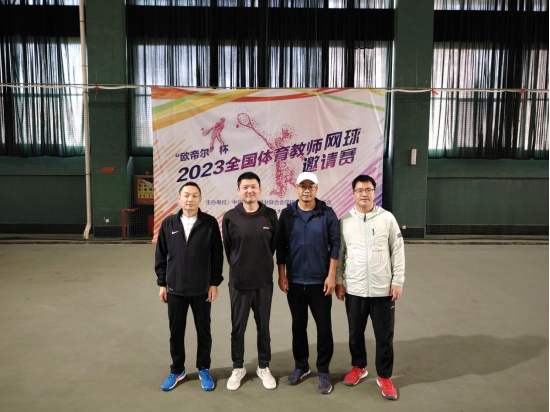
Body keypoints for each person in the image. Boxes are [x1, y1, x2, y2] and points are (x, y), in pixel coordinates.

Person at [336, 175, 405, 401]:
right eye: (359, 190)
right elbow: (340, 254)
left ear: (375, 192)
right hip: (354, 289)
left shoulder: (387, 218)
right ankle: (359, 367)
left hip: (382, 290)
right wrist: (339, 281)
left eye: (368, 190)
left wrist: (397, 281)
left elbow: (397, 250)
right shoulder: (345, 220)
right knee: (355, 333)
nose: (364, 194)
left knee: (384, 336)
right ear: (353, 194)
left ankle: (384, 376)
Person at [155, 182, 224, 392]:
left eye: (194, 195)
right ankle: (177, 370)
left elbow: (217, 256)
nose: (190, 199)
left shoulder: (209, 223)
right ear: (179, 198)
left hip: (201, 289)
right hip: (175, 289)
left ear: (200, 199)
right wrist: (162, 283)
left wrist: (214, 283)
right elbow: (161, 255)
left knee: (204, 331)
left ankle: (204, 368)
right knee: (176, 331)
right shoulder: (168, 223)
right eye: (186, 195)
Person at [277, 172, 341, 395]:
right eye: (302, 186)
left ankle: (323, 370)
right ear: (296, 188)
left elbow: (335, 244)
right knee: (298, 326)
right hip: (294, 281)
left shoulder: (327, 213)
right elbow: (281, 246)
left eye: (310, 186)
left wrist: (331, 276)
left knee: (324, 327)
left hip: (320, 282)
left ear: (316, 189)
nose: (306, 190)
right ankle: (301, 366)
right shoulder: (287, 214)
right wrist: (282, 274)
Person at [222, 172, 279, 391]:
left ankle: (263, 366)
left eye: (253, 186)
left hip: (263, 283)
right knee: (238, 328)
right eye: (245, 187)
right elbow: (229, 249)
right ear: (238, 191)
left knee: (263, 328)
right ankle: (238, 367)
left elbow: (272, 247)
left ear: (260, 189)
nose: (250, 190)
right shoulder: (230, 217)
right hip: (239, 283)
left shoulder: (270, 216)